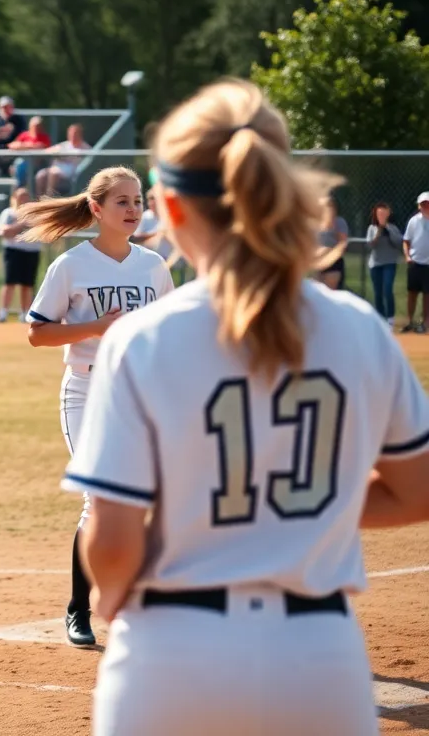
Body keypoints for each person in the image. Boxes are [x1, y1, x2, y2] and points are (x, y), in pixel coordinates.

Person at [64, 78, 429, 736]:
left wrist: (110, 596)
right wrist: (303, 509)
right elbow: (416, 491)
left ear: (168, 209)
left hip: (171, 654)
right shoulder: (357, 327)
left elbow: (113, 544)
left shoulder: (141, 340)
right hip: (321, 660)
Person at [22, 165, 174, 648]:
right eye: (122, 202)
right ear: (96, 209)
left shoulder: (153, 265)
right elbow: (37, 333)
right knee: (98, 498)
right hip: (86, 391)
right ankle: (78, 609)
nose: (133, 209)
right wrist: (95, 328)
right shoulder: (70, 265)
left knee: (139, 500)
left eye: (138, 201)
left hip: (135, 394)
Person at [0, 188, 42, 322]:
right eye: (21, 197)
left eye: (26, 196)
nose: (24, 200)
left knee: (27, 284)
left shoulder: (35, 215)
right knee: (9, 282)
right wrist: (21, 224)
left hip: (31, 251)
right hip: (13, 251)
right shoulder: (9, 213)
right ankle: (3, 312)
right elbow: (5, 231)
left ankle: (25, 313)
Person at [366, 201, 402, 328]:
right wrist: (379, 232)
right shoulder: (371, 228)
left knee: (387, 289)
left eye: (383, 214)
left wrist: (387, 230)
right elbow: (370, 245)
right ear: (375, 215)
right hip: (375, 264)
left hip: (390, 263)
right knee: (378, 292)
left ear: (388, 215)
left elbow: (398, 243)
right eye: (379, 214)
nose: (381, 216)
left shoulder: (393, 228)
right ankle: (380, 319)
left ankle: (390, 319)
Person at [35, 124, 92, 198]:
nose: (73, 136)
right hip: (56, 168)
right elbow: (47, 151)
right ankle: (38, 199)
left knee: (53, 173)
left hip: (71, 173)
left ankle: (48, 198)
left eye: (75, 133)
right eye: (71, 133)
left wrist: (64, 156)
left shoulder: (85, 148)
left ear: (80, 134)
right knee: (40, 175)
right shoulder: (65, 145)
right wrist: (55, 152)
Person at [404, 192, 429, 333]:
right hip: (415, 262)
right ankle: (410, 322)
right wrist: (407, 256)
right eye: (422, 203)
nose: (425, 206)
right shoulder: (414, 221)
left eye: (427, 203)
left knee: (427, 295)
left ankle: (425, 323)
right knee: (412, 293)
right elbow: (406, 241)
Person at [8, 116, 53, 191]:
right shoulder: (24, 135)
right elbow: (12, 146)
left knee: (20, 164)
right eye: (34, 125)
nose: (36, 127)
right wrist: (30, 145)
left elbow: (42, 147)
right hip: (23, 160)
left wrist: (23, 146)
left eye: (38, 125)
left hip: (38, 163)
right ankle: (20, 188)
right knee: (19, 163)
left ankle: (20, 188)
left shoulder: (44, 137)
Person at [317, 197, 349, 290]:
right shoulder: (319, 223)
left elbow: (342, 245)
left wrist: (328, 252)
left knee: (330, 293)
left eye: (330, 207)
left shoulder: (339, 222)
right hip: (320, 263)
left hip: (334, 264)